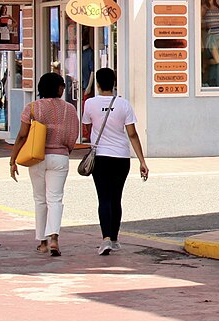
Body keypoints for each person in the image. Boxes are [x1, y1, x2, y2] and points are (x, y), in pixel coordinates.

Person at [10, 72, 80, 256]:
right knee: (55, 199)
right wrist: (66, 150)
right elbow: (73, 134)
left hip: (37, 157)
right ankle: (55, 238)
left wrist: (13, 159)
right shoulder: (70, 109)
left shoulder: (32, 108)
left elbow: (23, 135)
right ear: (59, 88)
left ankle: (42, 242)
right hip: (60, 157)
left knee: (39, 199)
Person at [83, 68, 149, 255]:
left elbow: (87, 128)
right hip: (121, 157)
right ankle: (114, 238)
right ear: (113, 83)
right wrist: (142, 161)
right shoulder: (123, 104)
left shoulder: (90, 104)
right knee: (116, 198)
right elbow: (132, 134)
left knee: (103, 197)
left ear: (97, 84)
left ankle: (105, 239)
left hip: (101, 157)